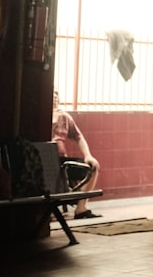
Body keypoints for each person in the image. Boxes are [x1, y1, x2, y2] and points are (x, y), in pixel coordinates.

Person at [51, 91, 101, 219]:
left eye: (57, 96)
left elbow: (79, 137)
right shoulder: (40, 116)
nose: (54, 99)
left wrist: (88, 155)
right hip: (45, 162)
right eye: (52, 96)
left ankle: (81, 208)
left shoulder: (64, 117)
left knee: (93, 167)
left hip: (63, 163)